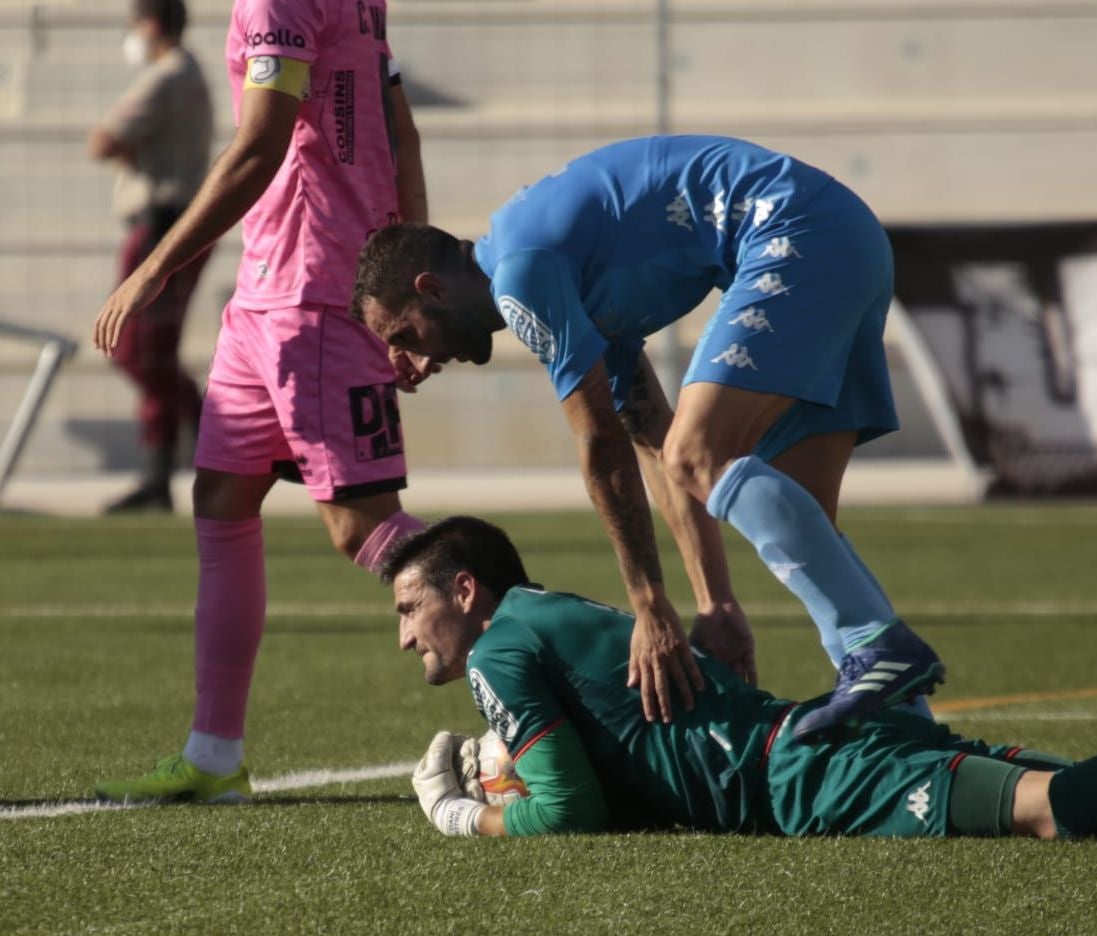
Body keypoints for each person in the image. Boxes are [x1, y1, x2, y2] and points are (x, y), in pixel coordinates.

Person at [386, 516, 1097, 842]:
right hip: (803, 745)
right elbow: (616, 777)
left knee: (1053, 811)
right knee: (1091, 791)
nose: (403, 636)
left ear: (468, 590)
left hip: (802, 782)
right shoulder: (544, 618)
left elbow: (573, 807)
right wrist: (499, 776)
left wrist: (459, 818)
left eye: (408, 605)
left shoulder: (497, 645)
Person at [351, 135, 942, 741]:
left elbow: (601, 448)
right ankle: (909, 720)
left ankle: (875, 646)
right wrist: (716, 602)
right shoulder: (552, 268)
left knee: (701, 450)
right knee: (802, 514)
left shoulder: (521, 276)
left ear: (431, 289)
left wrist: (650, 604)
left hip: (795, 233)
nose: (413, 363)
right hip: (844, 235)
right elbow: (648, 438)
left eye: (404, 336)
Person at [92, 0, 430, 803]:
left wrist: (155, 268)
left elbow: (261, 145)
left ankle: (565, 685)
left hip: (312, 294)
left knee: (365, 528)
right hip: (267, 293)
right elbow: (396, 125)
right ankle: (214, 754)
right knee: (222, 496)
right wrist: (413, 281)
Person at [88, 0, 213, 513]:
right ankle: (178, 459)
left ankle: (203, 442)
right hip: (168, 223)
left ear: (153, 24)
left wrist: (126, 152)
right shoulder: (187, 74)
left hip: (162, 225)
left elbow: (102, 141)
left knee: (139, 349)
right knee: (145, 351)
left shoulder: (169, 74)